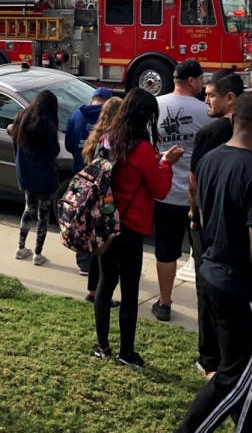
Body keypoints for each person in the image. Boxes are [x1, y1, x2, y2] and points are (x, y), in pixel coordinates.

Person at [177, 91, 252, 433]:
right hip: (242, 289)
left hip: (212, 273)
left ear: (233, 120)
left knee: (238, 366)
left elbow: (202, 213)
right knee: (233, 379)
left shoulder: (209, 160)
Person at [93, 88, 182, 368]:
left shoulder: (108, 138)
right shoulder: (142, 148)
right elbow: (161, 189)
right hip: (131, 226)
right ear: (147, 116)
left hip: (107, 221)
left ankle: (102, 346)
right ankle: (126, 352)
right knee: (129, 290)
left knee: (105, 284)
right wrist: (166, 163)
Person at [151, 59, 211, 323]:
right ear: (191, 81)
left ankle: (164, 302)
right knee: (203, 253)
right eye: (201, 80)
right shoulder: (205, 111)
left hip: (164, 193)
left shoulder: (156, 106)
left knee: (166, 251)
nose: (203, 84)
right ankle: (207, 304)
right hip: (197, 196)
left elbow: (149, 149)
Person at [66, 86, 114, 277]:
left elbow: (70, 143)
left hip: (81, 175)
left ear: (93, 99)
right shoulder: (112, 120)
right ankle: (98, 260)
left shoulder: (77, 115)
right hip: (102, 181)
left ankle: (83, 261)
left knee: (81, 218)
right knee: (100, 220)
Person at [81, 96, 122, 304]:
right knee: (104, 249)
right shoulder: (111, 139)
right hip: (105, 199)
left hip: (93, 196)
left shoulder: (97, 136)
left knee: (98, 247)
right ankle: (100, 294)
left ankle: (92, 289)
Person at [11, 90, 59, 266]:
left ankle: (20, 247)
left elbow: (15, 143)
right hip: (45, 177)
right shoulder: (48, 125)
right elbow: (53, 151)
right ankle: (38, 254)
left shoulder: (21, 117)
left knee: (28, 209)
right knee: (43, 215)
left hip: (26, 175)